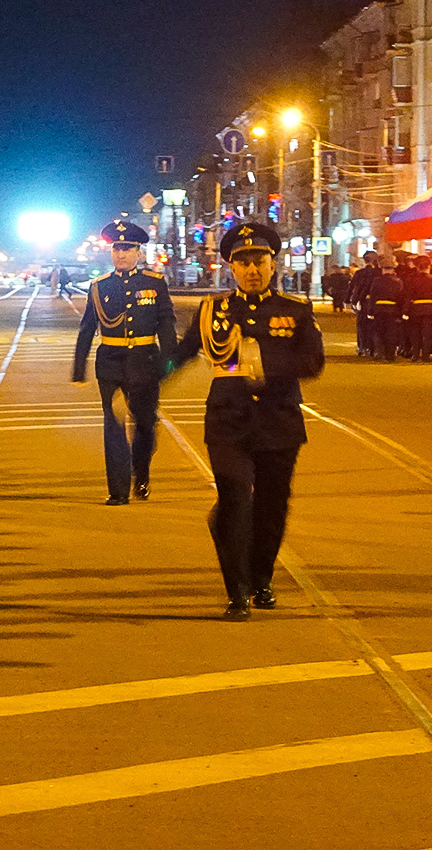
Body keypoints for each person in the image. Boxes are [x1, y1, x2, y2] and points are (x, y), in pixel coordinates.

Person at [170, 222, 324, 620]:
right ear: (231, 268)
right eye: (243, 263)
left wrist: (264, 365)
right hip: (228, 421)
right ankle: (237, 591)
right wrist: (145, 382)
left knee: (272, 508)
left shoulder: (295, 311)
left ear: (274, 264)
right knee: (237, 498)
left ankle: (261, 579)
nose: (252, 269)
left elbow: (313, 362)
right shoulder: (212, 311)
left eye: (260, 261)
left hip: (278, 422)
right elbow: (182, 353)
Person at [70, 220, 178, 505]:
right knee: (114, 425)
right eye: (117, 248)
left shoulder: (155, 284)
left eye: (128, 248)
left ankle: (140, 473)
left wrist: (171, 358)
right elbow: (87, 328)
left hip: (145, 362)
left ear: (139, 253)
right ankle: (117, 490)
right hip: (111, 364)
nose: (121, 254)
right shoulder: (99, 286)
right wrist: (79, 367)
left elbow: (166, 322)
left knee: (145, 425)